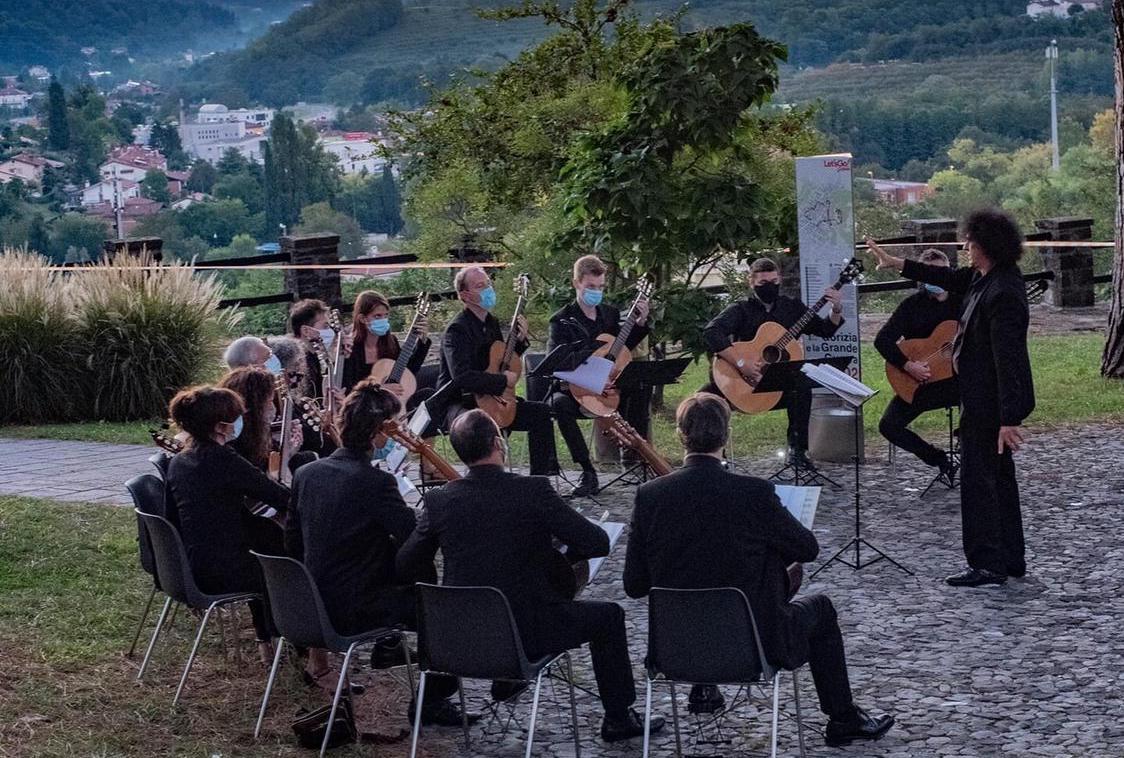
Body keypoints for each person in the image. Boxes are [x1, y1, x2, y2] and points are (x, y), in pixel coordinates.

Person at [624, 393, 894, 747]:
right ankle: (843, 719)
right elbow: (807, 549)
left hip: (675, 650)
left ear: (680, 435)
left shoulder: (649, 496)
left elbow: (634, 584)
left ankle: (704, 689)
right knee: (822, 609)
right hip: (756, 647)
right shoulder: (753, 494)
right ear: (727, 436)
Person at [397, 409, 664, 742]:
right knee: (608, 616)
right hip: (527, 630)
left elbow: (407, 563)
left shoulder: (438, 501)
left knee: (463, 604)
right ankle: (619, 718)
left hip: (456, 636)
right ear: (499, 444)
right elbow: (595, 542)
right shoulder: (534, 491)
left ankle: (430, 700)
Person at [285, 379, 471, 724]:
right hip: (354, 608)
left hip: (309, 602)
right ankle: (430, 701)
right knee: (443, 610)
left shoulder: (308, 473)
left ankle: (391, 649)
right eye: (395, 426)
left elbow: (293, 542)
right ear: (378, 433)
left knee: (416, 577)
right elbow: (413, 538)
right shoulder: (375, 482)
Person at [866, 209, 1035, 588]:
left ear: (986, 247)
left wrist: (1009, 418)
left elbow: (1009, 359)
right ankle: (1010, 557)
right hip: (977, 398)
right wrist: (897, 262)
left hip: (988, 403)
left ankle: (989, 563)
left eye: (970, 243)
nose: (965, 248)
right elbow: (945, 275)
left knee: (981, 484)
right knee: (997, 480)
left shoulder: (1003, 291)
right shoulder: (982, 278)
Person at [164, 385, 290, 660]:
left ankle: (267, 642)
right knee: (284, 563)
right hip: (223, 571)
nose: (240, 422)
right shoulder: (221, 458)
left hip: (194, 563)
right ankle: (302, 643)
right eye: (236, 417)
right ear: (221, 426)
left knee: (264, 544)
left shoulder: (181, 460)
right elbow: (280, 497)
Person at [702, 257, 844, 469]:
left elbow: (826, 330)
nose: (770, 287)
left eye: (774, 282)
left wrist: (836, 309)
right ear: (752, 284)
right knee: (704, 400)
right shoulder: (741, 309)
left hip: (775, 385)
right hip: (743, 380)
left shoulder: (792, 308)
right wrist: (741, 363)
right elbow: (712, 332)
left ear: (780, 280)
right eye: (763, 284)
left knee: (801, 389)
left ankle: (797, 451)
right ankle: (712, 457)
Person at [436, 266, 557, 475]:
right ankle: (485, 484)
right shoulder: (456, 330)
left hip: (492, 399)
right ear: (465, 295)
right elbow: (461, 377)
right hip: (460, 403)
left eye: (488, 285)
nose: (488, 290)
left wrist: (518, 342)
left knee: (541, 412)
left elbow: (500, 360)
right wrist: (503, 382)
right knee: (480, 426)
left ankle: (540, 480)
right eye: (480, 286)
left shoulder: (490, 322)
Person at [547, 255, 650, 496]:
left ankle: (636, 457)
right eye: (591, 287)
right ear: (576, 283)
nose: (596, 292)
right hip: (577, 389)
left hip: (608, 387)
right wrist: (591, 376)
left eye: (601, 287)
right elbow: (559, 362)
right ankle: (587, 470)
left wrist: (641, 321)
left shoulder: (610, 314)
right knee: (559, 405)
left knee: (640, 389)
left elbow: (621, 346)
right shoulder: (561, 320)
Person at [874, 249, 962, 476]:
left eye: (941, 272)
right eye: (930, 274)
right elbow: (882, 340)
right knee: (888, 426)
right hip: (921, 382)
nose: (936, 278)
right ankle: (938, 459)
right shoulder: (911, 306)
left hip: (958, 381)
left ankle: (973, 453)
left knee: (982, 399)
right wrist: (907, 365)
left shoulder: (963, 301)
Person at [342, 290, 431, 397]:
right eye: (377, 316)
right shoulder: (350, 348)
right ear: (362, 319)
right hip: (363, 409)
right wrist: (379, 389)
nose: (383, 320)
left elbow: (406, 372)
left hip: (391, 405)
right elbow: (347, 389)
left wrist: (422, 343)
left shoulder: (391, 342)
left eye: (386, 315)